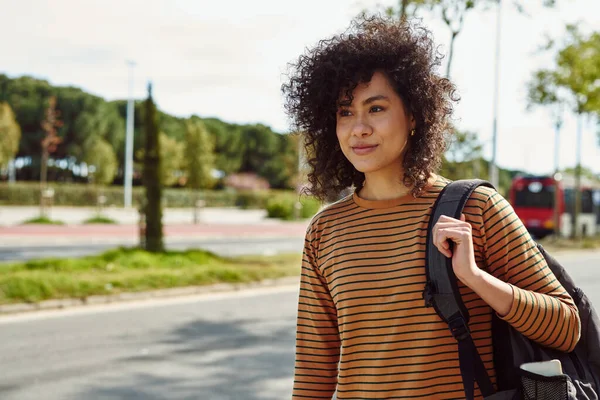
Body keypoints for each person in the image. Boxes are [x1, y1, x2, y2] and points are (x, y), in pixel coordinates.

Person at [281, 15, 581, 399]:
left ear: (413, 117)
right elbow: (314, 370)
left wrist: (474, 277)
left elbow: (565, 327)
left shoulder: (476, 207)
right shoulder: (326, 230)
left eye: (375, 108)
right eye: (344, 112)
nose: (358, 128)